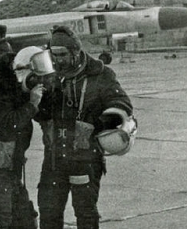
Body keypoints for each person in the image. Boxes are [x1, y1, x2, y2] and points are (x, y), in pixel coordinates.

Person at [35, 26, 134, 229]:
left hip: (85, 158)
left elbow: (121, 102)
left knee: (85, 214)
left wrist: (104, 122)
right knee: (48, 213)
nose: (57, 60)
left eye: (62, 55)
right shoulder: (50, 76)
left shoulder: (100, 75)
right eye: (54, 55)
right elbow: (40, 113)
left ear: (76, 53)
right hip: (54, 158)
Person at [0, 48, 47, 229]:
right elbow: (9, 123)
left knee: (25, 217)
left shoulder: (15, 83)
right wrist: (32, 104)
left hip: (9, 162)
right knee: (1, 216)